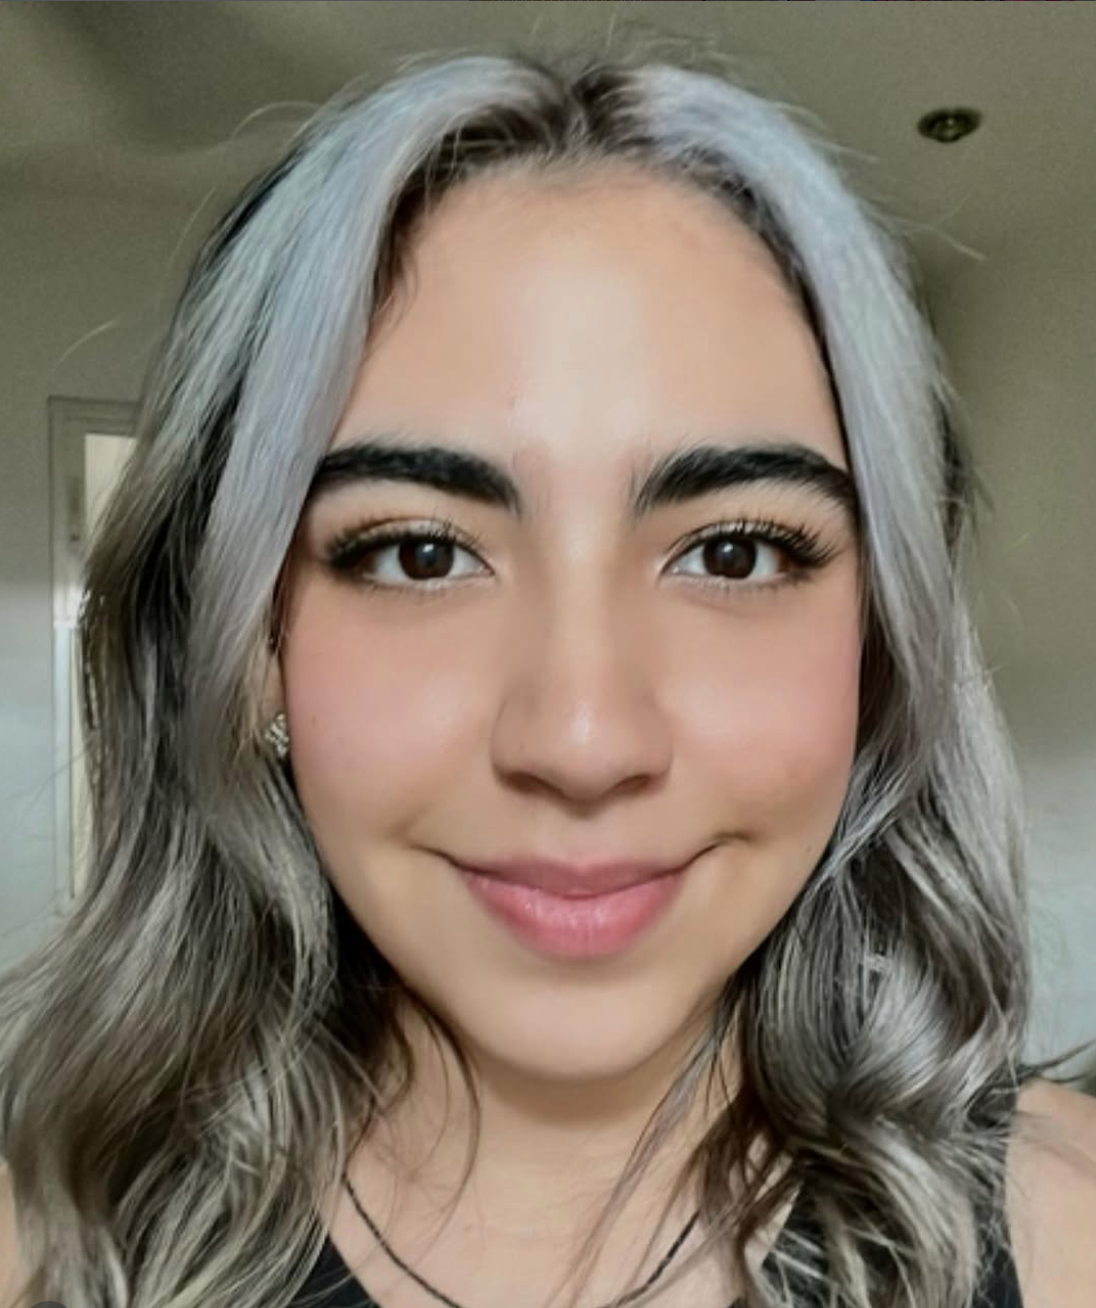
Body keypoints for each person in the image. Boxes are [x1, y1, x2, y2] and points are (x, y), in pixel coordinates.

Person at [2, 45, 1095, 1308]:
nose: (581, 738)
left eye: (733, 552)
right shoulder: (47, 1258)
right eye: (419, 554)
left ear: (882, 644)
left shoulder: (1068, 1235)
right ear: (249, 650)